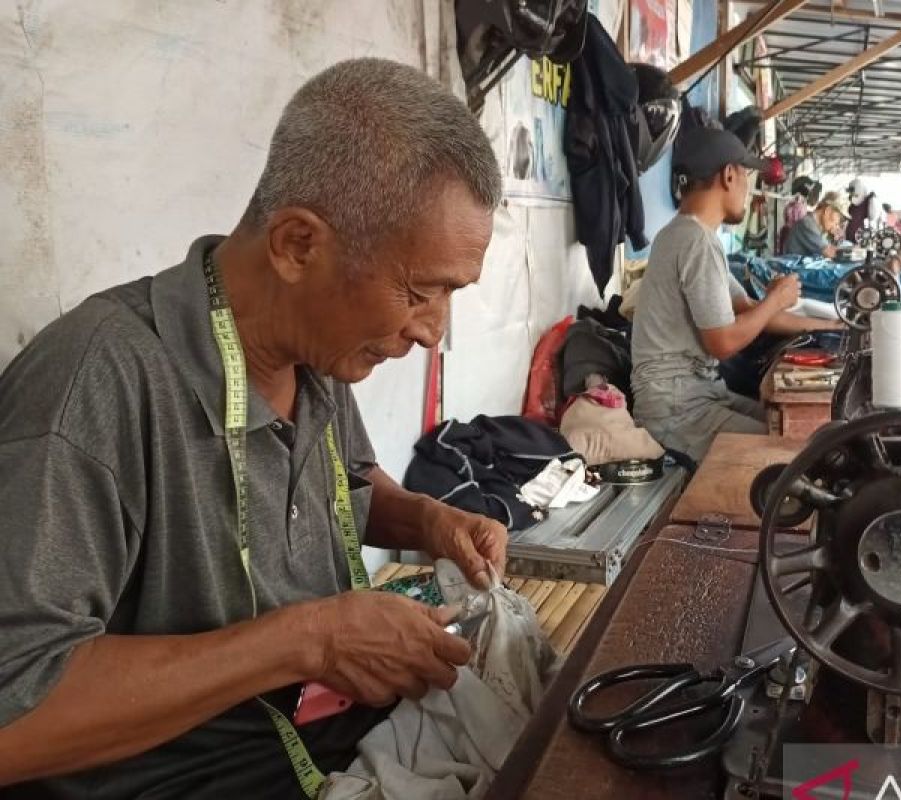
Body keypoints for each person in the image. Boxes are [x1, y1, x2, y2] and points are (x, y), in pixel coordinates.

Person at [0, 59, 508, 798]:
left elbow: (344, 487)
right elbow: (15, 713)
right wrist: (310, 639)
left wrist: (427, 520)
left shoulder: (321, 356)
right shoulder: (95, 383)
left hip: (323, 738)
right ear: (298, 244)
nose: (433, 332)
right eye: (420, 292)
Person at [632, 127, 836, 460]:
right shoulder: (695, 241)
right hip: (678, 409)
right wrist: (775, 300)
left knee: (791, 427)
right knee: (796, 453)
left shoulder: (687, 234)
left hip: (697, 394)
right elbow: (723, 342)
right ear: (729, 175)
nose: (748, 189)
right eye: (747, 177)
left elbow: (747, 309)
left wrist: (830, 327)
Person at [782, 191, 851, 259]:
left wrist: (833, 237)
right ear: (828, 211)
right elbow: (830, 253)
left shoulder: (817, 225)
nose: (838, 222)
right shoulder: (807, 224)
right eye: (839, 216)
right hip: (793, 268)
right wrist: (856, 254)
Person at [845, 178, 883, 243]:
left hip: (860, 235)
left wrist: (871, 201)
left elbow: (872, 216)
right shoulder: (852, 202)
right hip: (849, 234)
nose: (851, 194)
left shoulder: (868, 200)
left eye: (852, 191)